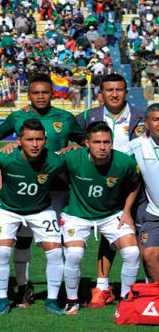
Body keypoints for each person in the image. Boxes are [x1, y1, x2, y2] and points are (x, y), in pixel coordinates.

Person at [0, 74, 84, 307]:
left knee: (59, 244)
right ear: (29, 95)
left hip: (58, 189)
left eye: (45, 92)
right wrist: (4, 158)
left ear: (52, 93)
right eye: (36, 93)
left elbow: (86, 144)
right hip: (23, 192)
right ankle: (24, 287)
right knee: (22, 241)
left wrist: (75, 146)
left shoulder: (65, 118)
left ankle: (63, 291)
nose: (41, 96)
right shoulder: (17, 116)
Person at [76, 73, 146, 308]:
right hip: (106, 187)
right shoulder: (88, 116)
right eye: (109, 90)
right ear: (101, 93)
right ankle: (102, 288)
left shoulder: (140, 116)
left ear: (126, 92)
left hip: (141, 186)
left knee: (145, 239)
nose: (114, 94)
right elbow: (62, 133)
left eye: (119, 89)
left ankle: (145, 287)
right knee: (110, 238)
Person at [61, 122, 141, 315]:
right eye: (97, 142)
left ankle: (126, 301)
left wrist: (127, 211)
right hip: (77, 215)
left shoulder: (125, 162)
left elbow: (135, 183)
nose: (103, 147)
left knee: (132, 252)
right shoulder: (72, 158)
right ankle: (72, 300)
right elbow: (45, 162)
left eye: (107, 142)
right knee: (73, 255)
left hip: (111, 215)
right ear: (87, 143)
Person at [0, 119, 65, 316]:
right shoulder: (6, 158)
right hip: (8, 210)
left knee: (56, 253)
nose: (34, 144)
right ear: (19, 140)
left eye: (39, 139)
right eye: (29, 139)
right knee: (3, 252)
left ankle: (52, 300)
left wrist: (74, 148)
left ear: (45, 140)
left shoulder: (54, 161)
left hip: (41, 210)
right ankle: (3, 299)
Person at [124, 103, 159, 282]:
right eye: (155, 120)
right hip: (154, 214)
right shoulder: (137, 145)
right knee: (150, 255)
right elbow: (112, 160)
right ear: (146, 123)